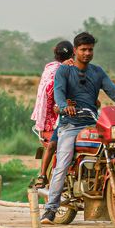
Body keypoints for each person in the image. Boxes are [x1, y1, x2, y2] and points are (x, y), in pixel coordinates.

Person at [42, 32, 115, 223]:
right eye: (83, 49)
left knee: (112, 151)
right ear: (75, 50)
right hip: (70, 124)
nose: (87, 53)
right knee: (62, 164)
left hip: (92, 122)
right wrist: (63, 106)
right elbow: (59, 92)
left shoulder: (97, 72)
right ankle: (50, 208)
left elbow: (112, 90)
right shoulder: (64, 70)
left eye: (90, 50)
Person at [31, 41, 74, 187]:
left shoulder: (51, 68)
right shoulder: (62, 70)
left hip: (67, 114)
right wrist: (64, 105)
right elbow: (57, 95)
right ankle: (43, 175)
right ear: (73, 55)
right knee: (54, 144)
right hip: (57, 116)